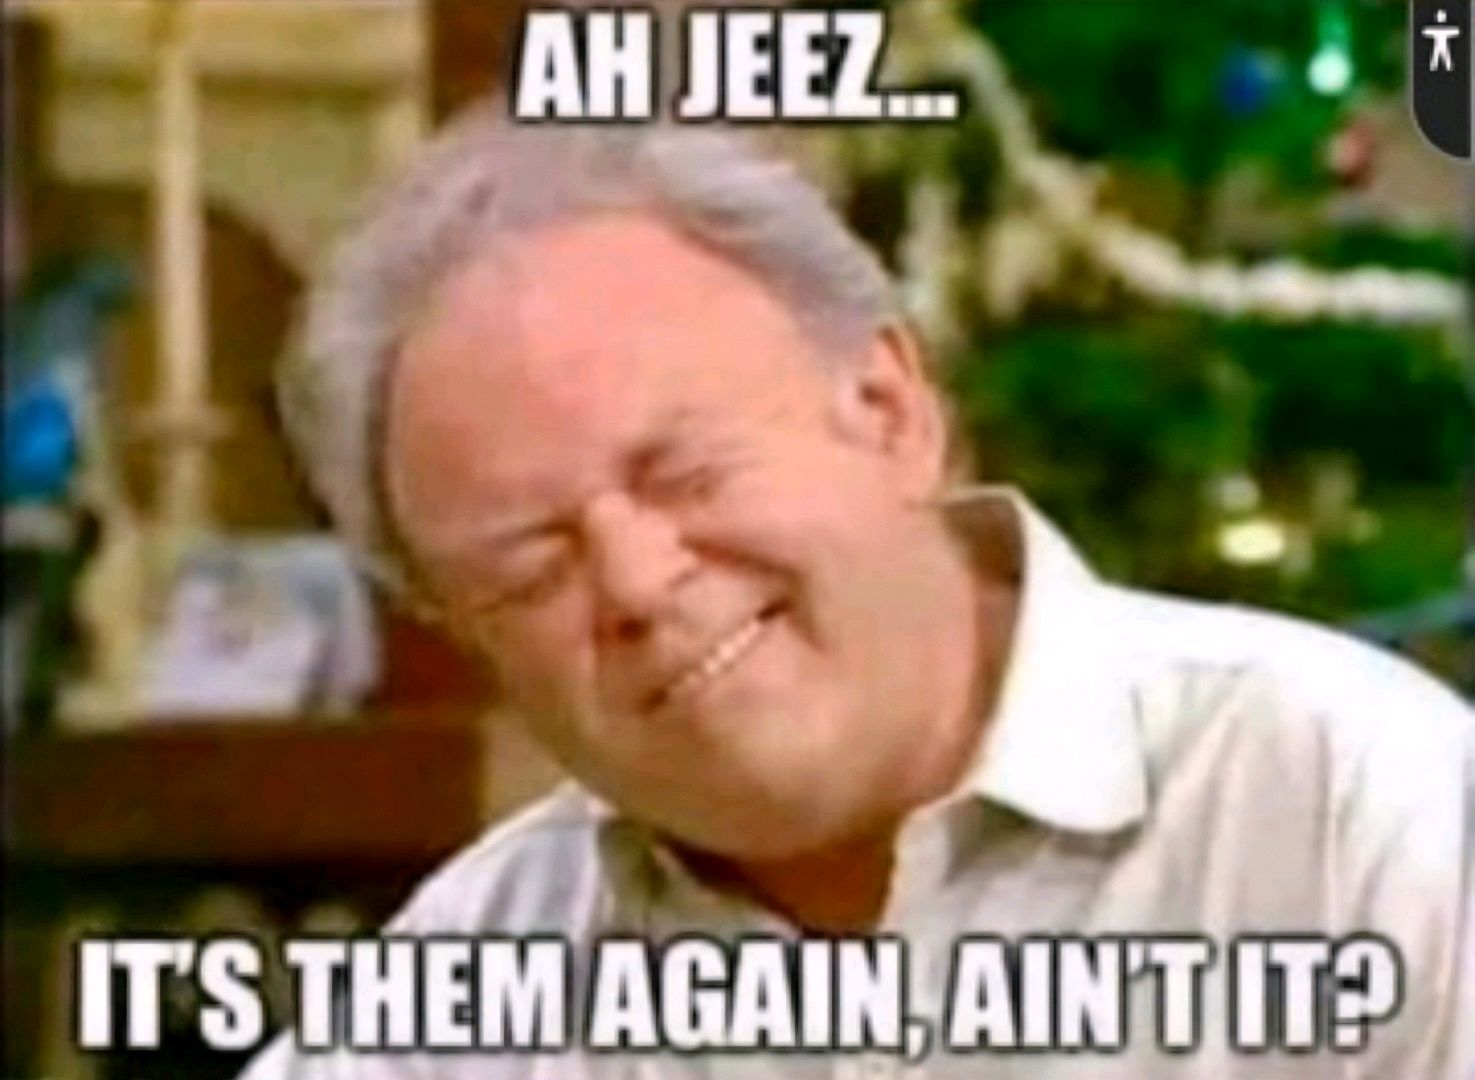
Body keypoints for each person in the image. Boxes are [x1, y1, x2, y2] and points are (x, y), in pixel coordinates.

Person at [241, 104, 1474, 1079]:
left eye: (683, 472)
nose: (634, 582)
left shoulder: (1358, 812)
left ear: (887, 412)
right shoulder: (464, 979)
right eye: (528, 566)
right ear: (460, 631)